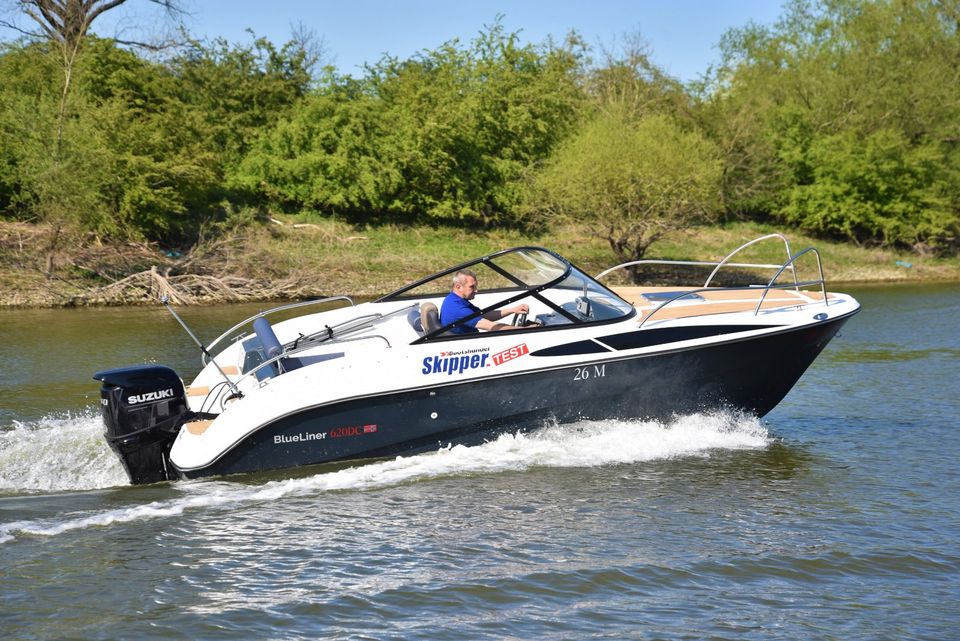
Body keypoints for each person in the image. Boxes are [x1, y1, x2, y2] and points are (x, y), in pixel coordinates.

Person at [440, 269, 534, 334]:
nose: (476, 290)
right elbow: (490, 326)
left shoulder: (455, 300)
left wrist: (512, 310)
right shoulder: (459, 309)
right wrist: (524, 330)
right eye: (472, 287)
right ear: (458, 287)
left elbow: (484, 315)